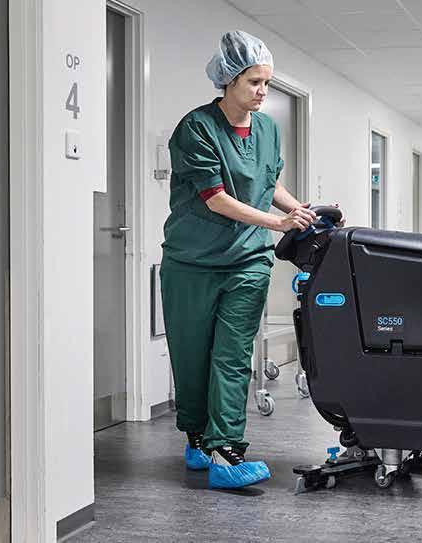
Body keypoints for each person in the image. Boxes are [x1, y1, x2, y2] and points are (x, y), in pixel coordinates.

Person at [160, 30, 316, 489]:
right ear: (228, 81)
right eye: (254, 82)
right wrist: (278, 222)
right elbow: (215, 198)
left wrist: (300, 211)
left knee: (232, 355)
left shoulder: (268, 129)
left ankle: (226, 451)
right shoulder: (196, 128)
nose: (263, 91)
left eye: (266, 82)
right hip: (191, 261)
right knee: (192, 355)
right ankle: (197, 438)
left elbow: (269, 183)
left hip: (248, 260)